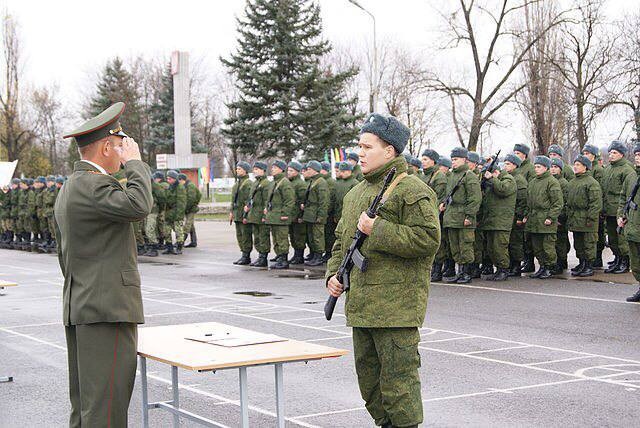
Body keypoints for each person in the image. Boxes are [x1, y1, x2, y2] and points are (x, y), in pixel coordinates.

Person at [326, 113, 439, 428]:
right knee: (370, 384)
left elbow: (428, 240)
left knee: (399, 385)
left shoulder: (411, 190)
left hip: (396, 309)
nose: (359, 153)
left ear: (389, 151)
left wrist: (380, 229)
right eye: (359, 146)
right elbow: (340, 242)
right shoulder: (355, 194)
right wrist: (334, 276)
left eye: (367, 147)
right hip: (362, 307)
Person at [55, 102, 153, 427]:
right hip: (105, 311)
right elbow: (139, 204)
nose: (122, 153)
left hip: (86, 306)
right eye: (120, 145)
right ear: (107, 146)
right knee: (105, 413)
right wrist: (136, 164)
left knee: (87, 410)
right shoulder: (93, 185)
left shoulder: (73, 186)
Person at [441, 147, 482, 283]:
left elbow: (475, 198)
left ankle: (466, 273)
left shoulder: (469, 176)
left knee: (465, 245)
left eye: (456, 159)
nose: (453, 162)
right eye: (452, 160)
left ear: (464, 160)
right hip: (451, 216)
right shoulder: (452, 175)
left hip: (463, 216)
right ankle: (460, 272)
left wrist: (469, 216)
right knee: (455, 246)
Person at [523, 156, 563, 279]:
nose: (536, 169)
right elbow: (528, 202)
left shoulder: (552, 182)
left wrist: (551, 217)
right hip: (534, 219)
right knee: (537, 246)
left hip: (545, 219)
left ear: (546, 168)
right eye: (535, 166)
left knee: (547, 246)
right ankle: (542, 267)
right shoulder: (533, 182)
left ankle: (550, 267)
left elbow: (557, 203)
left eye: (539, 166)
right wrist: (526, 215)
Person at [478, 161, 517, 281]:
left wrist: (492, 179)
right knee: (491, 248)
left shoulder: (508, 179)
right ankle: (498, 269)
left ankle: (504, 269)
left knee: (499, 247)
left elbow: (502, 190)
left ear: (496, 172)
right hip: (490, 220)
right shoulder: (492, 182)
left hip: (501, 221)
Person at [602, 141, 636, 274]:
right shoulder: (608, 169)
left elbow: (629, 192)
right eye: (610, 152)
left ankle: (625, 262)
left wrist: (624, 212)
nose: (611, 155)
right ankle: (617, 258)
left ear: (622, 154)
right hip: (609, 209)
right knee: (612, 238)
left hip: (619, 209)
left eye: (614, 153)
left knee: (621, 238)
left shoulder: (627, 170)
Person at [567, 155, 602, 277]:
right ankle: (582, 263)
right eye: (575, 164)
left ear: (585, 167)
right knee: (579, 244)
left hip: (587, 219)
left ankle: (588, 265)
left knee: (588, 244)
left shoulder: (592, 183)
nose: (575, 167)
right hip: (576, 218)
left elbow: (595, 203)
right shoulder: (572, 182)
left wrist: (591, 218)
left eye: (578, 165)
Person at [265, 160, 295, 269]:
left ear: (281, 169)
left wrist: (285, 213)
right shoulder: (274, 182)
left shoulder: (285, 182)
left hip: (281, 216)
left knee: (282, 239)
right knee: (276, 239)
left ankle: (284, 259)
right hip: (273, 216)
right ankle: (279, 256)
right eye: (272, 167)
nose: (272, 169)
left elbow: (290, 200)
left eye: (275, 167)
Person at [619, 144, 640, 302]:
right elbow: (623, 198)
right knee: (636, 263)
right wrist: (621, 215)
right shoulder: (632, 176)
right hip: (633, 227)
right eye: (636, 154)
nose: (637, 157)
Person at [503, 154, 528, 277]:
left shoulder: (519, 179)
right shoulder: (509, 177)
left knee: (516, 242)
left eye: (508, 164)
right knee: (509, 241)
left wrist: (519, 217)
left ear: (515, 165)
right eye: (505, 163)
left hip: (515, 216)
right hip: (509, 215)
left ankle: (516, 265)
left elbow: (522, 200)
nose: (505, 166)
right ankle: (511, 264)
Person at [582, 144, 605, 268]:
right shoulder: (588, 168)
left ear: (594, 155)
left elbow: (600, 190)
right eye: (584, 153)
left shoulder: (597, 169)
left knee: (597, 235)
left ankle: (597, 258)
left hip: (596, 207)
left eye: (587, 154)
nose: (585, 156)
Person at [301, 160, 329, 266]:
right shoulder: (313, 181)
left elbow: (324, 201)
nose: (307, 171)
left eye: (309, 169)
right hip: (310, 214)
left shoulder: (321, 182)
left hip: (316, 215)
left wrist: (321, 216)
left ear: (315, 170)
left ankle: (318, 257)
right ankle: (314, 255)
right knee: (312, 236)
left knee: (318, 236)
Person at [245, 161, 271, 267]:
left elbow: (267, 201)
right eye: (254, 169)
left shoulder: (266, 183)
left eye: (257, 169)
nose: (254, 171)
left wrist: (265, 216)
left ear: (263, 171)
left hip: (261, 215)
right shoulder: (255, 183)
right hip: (254, 215)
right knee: (257, 237)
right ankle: (260, 256)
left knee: (263, 237)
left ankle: (263, 257)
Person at [550, 158, 570, 274]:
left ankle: (562, 262)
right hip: (551, 216)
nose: (553, 169)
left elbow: (566, 202)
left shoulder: (563, 183)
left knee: (560, 241)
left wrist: (561, 217)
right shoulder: (550, 181)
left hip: (560, 218)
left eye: (556, 167)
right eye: (551, 167)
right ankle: (556, 262)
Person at [142, 171, 167, 257]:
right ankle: (150, 247)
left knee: (150, 229)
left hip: (153, 211)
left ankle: (154, 248)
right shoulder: (146, 185)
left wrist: (160, 210)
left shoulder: (155, 186)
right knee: (146, 229)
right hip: (146, 210)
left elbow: (162, 199)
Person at [287, 160, 307, 264]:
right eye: (288, 170)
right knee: (293, 236)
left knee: (299, 236)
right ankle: (296, 255)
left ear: (297, 172)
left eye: (291, 170)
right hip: (291, 215)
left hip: (297, 216)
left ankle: (299, 256)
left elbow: (302, 202)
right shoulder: (290, 183)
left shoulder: (300, 184)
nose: (288, 172)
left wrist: (300, 215)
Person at [163, 170, 186, 255]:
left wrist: (179, 216)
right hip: (169, 213)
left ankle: (179, 247)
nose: (168, 180)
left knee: (178, 231)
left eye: (169, 179)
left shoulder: (180, 188)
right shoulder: (169, 187)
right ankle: (169, 247)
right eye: (167, 178)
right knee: (166, 231)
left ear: (174, 179)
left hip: (176, 213)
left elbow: (181, 203)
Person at [320, 161, 337, 262]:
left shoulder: (330, 182)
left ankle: (329, 253)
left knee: (329, 234)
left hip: (329, 213)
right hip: (326, 212)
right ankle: (326, 252)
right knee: (325, 234)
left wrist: (327, 210)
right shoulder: (324, 181)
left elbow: (330, 199)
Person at [179, 173, 202, 248]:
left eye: (179, 181)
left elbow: (191, 199)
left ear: (182, 180)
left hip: (191, 208)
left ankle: (181, 241)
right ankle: (193, 242)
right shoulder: (185, 185)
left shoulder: (190, 186)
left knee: (187, 225)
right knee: (191, 225)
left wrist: (186, 208)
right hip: (188, 208)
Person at [333, 162, 359, 228]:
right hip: (338, 214)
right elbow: (335, 200)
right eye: (340, 171)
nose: (341, 173)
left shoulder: (355, 183)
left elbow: (355, 203)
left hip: (349, 215)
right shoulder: (338, 183)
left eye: (343, 171)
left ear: (349, 171)